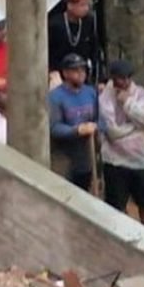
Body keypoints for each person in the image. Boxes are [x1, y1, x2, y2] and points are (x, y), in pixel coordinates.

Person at [98, 59, 144, 227]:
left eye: (128, 78)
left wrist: (127, 103)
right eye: (121, 78)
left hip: (141, 160)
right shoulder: (104, 98)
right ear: (113, 77)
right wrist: (135, 127)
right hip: (115, 161)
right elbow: (112, 132)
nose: (125, 81)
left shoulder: (142, 95)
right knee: (117, 210)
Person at [49, 53, 98, 192]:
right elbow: (54, 127)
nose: (81, 73)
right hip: (64, 159)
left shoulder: (91, 92)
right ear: (65, 73)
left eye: (82, 69)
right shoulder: (55, 97)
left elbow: (99, 119)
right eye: (75, 70)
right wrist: (77, 130)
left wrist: (96, 126)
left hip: (87, 156)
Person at [47, 0, 99, 87]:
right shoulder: (54, 24)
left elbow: (94, 49)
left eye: (87, 5)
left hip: (82, 71)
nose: (86, 9)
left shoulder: (88, 22)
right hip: (58, 73)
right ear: (70, 5)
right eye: (82, 5)